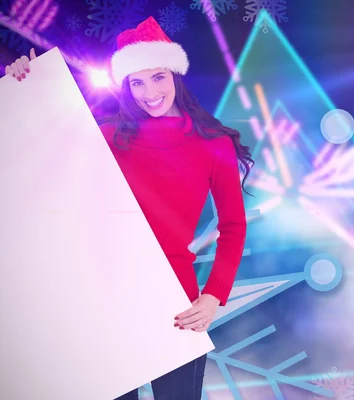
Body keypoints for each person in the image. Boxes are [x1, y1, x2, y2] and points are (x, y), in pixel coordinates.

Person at [4, 16, 253, 400]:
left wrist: (214, 294)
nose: (149, 92)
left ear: (175, 75)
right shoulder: (106, 137)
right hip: (108, 303)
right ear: (126, 85)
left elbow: (234, 225)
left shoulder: (212, 143)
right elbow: (40, 153)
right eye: (136, 81)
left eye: (157, 77)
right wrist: (26, 81)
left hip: (177, 304)